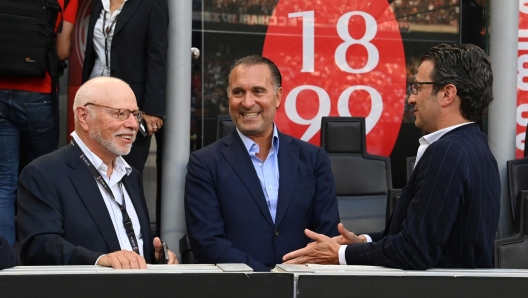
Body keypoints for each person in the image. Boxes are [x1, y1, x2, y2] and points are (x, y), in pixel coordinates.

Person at [283, 43, 500, 269]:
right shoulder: (478, 148)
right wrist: (362, 242)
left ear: (447, 93)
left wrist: (341, 254)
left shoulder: (447, 153)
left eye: (417, 87)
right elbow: (427, 236)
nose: (411, 99)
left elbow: (414, 251)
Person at [184, 55, 340, 272]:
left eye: (258, 91)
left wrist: (297, 277)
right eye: (238, 92)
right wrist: (268, 280)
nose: (247, 102)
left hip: (305, 284)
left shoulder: (313, 159)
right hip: (238, 287)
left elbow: (327, 235)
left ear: (277, 97)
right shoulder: (205, 163)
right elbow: (207, 242)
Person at [17, 77, 177, 268]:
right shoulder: (43, 173)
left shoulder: (131, 175)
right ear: (84, 116)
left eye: (136, 114)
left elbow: (125, 232)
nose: (133, 124)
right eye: (120, 114)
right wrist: (99, 261)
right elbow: (39, 248)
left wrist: (154, 253)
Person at [82, 0, 169, 235]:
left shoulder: (152, 4)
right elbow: (94, 54)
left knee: (127, 174)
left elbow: (157, 55)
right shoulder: (98, 3)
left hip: (132, 103)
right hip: (95, 98)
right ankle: (98, 238)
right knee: (91, 170)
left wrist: (151, 107)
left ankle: (134, 240)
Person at [0, 0, 78, 247]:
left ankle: (5, 259)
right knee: (40, 177)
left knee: (4, 181)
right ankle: (36, 254)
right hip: (38, 94)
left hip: (0, 92)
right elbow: (63, 51)